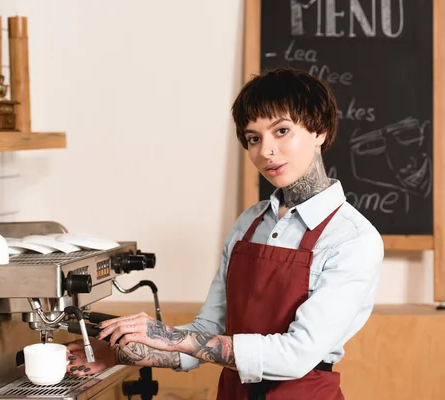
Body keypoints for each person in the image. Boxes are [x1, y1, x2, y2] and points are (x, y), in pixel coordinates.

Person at [66, 67, 384, 399]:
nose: (266, 151)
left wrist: (168, 335)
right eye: (253, 138)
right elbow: (207, 333)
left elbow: (296, 355)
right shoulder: (249, 224)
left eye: (282, 131)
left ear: (319, 130)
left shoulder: (353, 239)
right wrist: (115, 353)